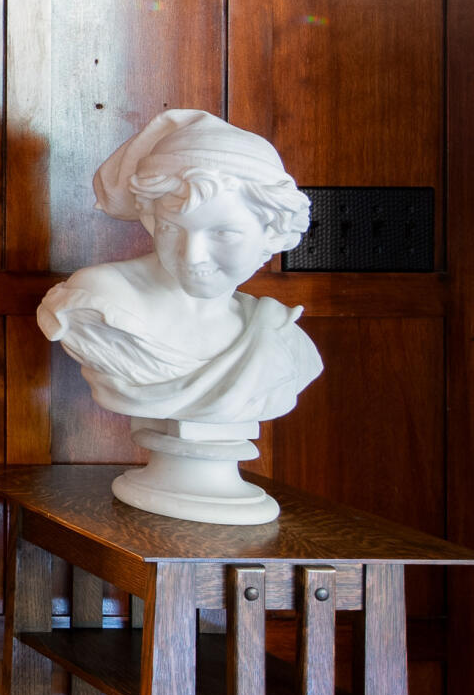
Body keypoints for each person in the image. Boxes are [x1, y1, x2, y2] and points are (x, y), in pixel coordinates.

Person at [37, 109, 320, 522]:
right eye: (172, 228)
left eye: (223, 232)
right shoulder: (98, 301)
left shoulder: (282, 340)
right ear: (151, 221)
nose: (193, 256)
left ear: (273, 233)